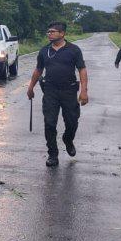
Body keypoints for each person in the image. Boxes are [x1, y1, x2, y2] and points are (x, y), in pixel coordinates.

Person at [26, 21, 89, 167]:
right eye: (48, 32)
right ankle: (52, 154)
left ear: (62, 33)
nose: (49, 34)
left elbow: (82, 69)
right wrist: (31, 87)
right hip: (50, 91)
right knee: (49, 123)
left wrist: (84, 91)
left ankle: (68, 139)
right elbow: (38, 70)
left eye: (52, 31)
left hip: (69, 91)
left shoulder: (74, 50)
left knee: (72, 121)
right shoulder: (44, 51)